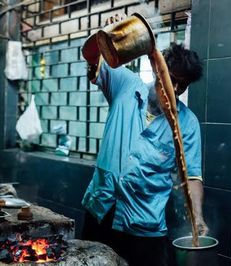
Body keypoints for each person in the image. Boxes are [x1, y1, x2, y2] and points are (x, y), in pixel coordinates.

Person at [81, 16, 209, 266]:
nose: (174, 88)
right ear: (157, 68)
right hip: (101, 212)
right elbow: (91, 55)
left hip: (143, 227)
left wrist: (198, 216)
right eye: (170, 77)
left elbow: (192, 177)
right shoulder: (125, 85)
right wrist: (108, 34)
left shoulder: (188, 123)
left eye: (182, 85)